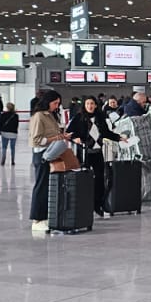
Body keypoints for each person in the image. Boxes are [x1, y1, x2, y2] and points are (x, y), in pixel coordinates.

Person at [69, 95, 123, 216]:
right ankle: (84, 205)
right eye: (87, 104)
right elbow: (69, 133)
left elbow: (106, 133)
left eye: (92, 104)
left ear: (96, 105)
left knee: (100, 179)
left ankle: (98, 204)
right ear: (84, 105)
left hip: (98, 152)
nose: (90, 106)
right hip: (85, 153)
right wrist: (74, 139)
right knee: (85, 179)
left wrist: (119, 138)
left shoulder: (100, 117)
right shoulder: (79, 118)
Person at [28, 89, 66, 234]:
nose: (57, 106)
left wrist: (61, 136)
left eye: (58, 104)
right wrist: (55, 138)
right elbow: (36, 139)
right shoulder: (39, 116)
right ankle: (37, 219)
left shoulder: (50, 115)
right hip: (42, 155)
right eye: (55, 103)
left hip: (51, 154)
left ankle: (44, 217)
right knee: (41, 187)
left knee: (47, 187)